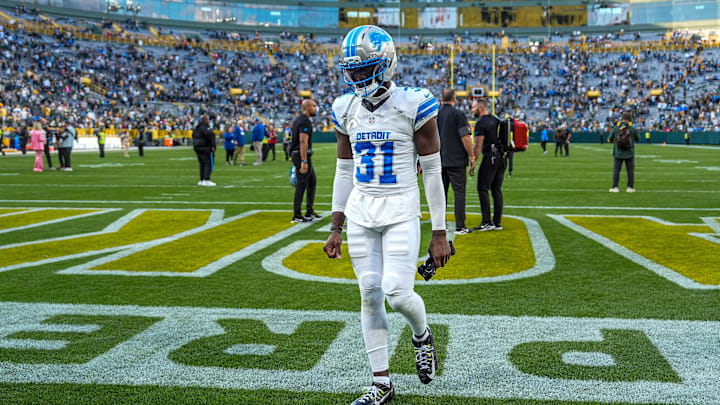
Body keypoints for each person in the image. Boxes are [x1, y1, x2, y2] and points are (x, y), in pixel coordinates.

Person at [323, 25, 451, 405]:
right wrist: (335, 226)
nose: (358, 77)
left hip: (400, 209)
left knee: (397, 292)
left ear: (387, 64)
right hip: (362, 212)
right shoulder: (345, 108)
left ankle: (422, 335)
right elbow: (344, 171)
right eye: (353, 70)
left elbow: (431, 170)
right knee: (369, 294)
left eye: (366, 69)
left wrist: (440, 231)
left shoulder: (414, 103)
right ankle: (382, 384)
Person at [437, 88, 475, 234]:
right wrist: (472, 156)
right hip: (457, 161)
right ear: (454, 99)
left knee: (441, 195)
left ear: (441, 99)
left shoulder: (436, 115)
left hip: (439, 160)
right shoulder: (458, 114)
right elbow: (465, 137)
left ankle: (441, 225)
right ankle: (460, 226)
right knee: (459, 193)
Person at [471, 99, 506, 231]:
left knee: (482, 187)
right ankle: (497, 222)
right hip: (502, 157)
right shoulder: (496, 120)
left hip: (490, 156)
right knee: (496, 189)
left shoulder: (481, 123)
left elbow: (478, 144)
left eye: (473, 107)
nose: (472, 110)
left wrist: (473, 160)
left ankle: (487, 221)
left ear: (480, 108)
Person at [290, 100, 319, 223]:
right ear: (307, 107)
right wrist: (304, 161)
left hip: (301, 154)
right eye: (313, 106)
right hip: (301, 155)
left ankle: (309, 211)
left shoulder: (300, 120)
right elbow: (303, 141)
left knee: (312, 182)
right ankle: (297, 214)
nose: (315, 108)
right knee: (301, 184)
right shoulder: (304, 121)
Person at [608, 112, 640, 193]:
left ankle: (615, 187)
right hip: (629, 153)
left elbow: (609, 140)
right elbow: (638, 138)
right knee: (630, 171)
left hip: (618, 153)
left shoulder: (616, 128)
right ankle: (630, 187)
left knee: (616, 170)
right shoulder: (632, 128)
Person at [192, 115, 216, 186]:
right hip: (205, 147)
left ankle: (201, 179)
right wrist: (213, 146)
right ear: (206, 120)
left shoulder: (197, 128)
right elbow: (210, 135)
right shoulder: (206, 127)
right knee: (207, 163)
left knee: (201, 163)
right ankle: (206, 179)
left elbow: (193, 135)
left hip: (197, 147)